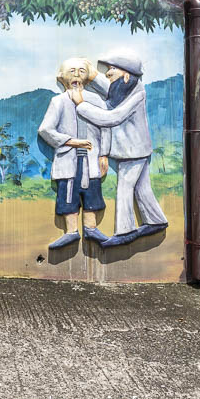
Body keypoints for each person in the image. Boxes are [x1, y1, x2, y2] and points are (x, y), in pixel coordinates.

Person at [70, 48, 168, 247]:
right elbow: (109, 89)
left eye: (112, 69)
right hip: (133, 150)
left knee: (125, 188)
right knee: (142, 188)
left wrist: (81, 105)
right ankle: (156, 220)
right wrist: (93, 74)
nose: (108, 73)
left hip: (133, 151)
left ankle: (124, 232)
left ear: (126, 74)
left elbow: (112, 117)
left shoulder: (137, 94)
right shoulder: (125, 87)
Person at [38, 57, 109, 249]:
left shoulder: (96, 100)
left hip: (91, 159)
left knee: (92, 192)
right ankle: (71, 232)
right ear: (62, 78)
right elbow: (45, 130)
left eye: (81, 71)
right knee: (68, 193)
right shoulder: (58, 102)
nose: (76, 75)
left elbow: (106, 128)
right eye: (72, 71)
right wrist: (70, 142)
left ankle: (91, 229)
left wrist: (104, 155)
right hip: (68, 158)